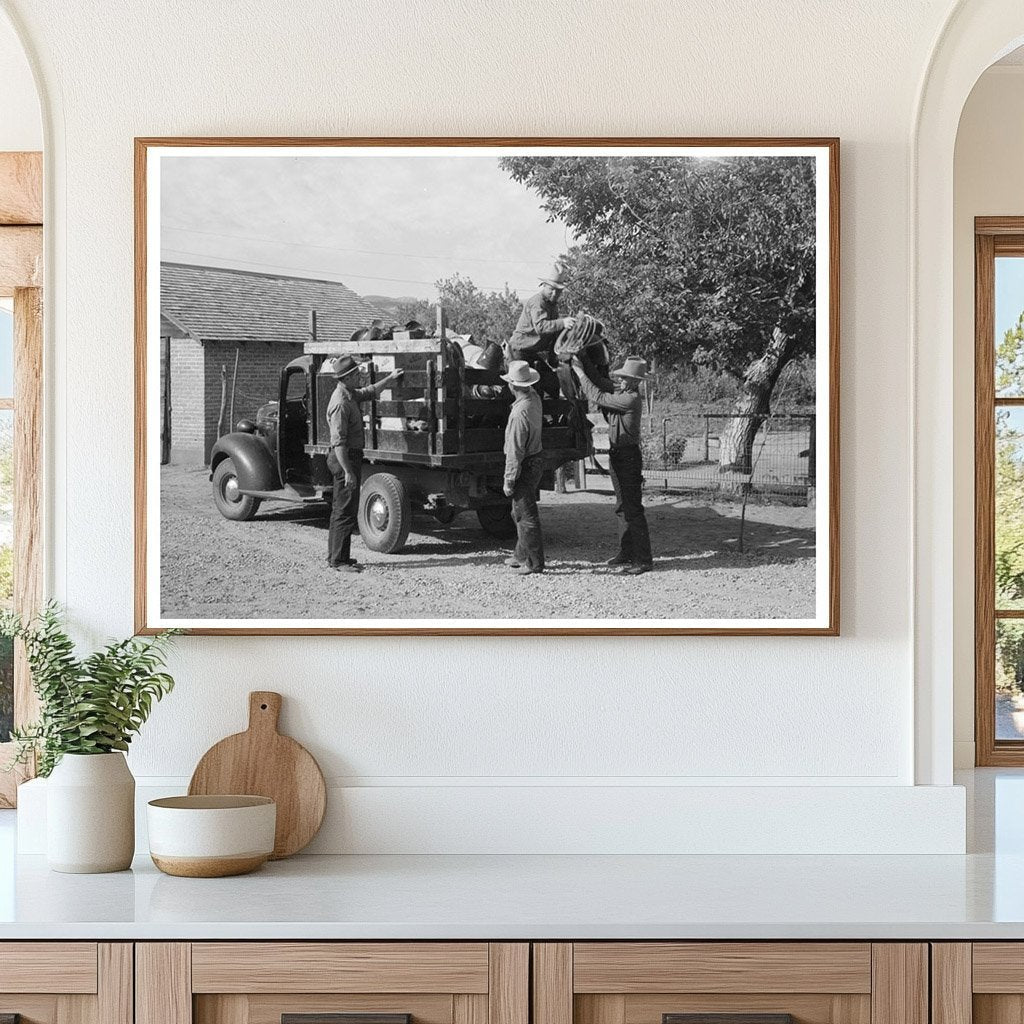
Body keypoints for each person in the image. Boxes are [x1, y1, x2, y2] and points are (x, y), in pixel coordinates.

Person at [572, 354, 654, 575]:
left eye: (626, 378)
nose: (622, 381)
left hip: (627, 456)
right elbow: (600, 382)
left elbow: (596, 394)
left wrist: (579, 372)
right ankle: (627, 552)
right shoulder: (624, 392)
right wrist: (583, 359)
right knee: (622, 506)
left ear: (635, 381)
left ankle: (643, 559)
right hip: (619, 454)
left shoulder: (630, 399)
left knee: (633, 508)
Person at [323, 355, 404, 572]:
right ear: (347, 378)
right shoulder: (340, 402)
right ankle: (338, 561)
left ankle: (338, 557)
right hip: (344, 458)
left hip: (348, 456)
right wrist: (348, 472)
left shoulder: (349, 394)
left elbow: (369, 392)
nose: (360, 376)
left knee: (344, 508)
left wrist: (390, 378)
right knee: (344, 510)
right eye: (356, 374)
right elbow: (338, 443)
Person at [501, 360, 545, 575]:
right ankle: (520, 554)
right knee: (518, 511)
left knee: (526, 516)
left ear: (512, 386)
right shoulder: (534, 399)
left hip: (525, 464)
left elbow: (515, 450)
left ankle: (535, 563)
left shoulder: (519, 414)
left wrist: (509, 479)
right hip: (536, 458)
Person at [508, 264, 576, 399]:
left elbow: (553, 332)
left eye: (558, 291)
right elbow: (541, 327)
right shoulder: (537, 302)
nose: (555, 293)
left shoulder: (552, 305)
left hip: (530, 352)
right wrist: (563, 322)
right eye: (551, 289)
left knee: (553, 383)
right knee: (529, 390)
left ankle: (551, 417)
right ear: (544, 285)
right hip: (519, 351)